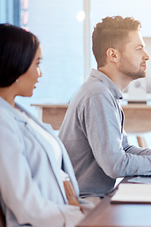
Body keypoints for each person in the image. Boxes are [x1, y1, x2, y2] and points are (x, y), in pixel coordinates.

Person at [59, 16, 151, 199]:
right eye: (139, 48)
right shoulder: (98, 96)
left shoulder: (104, 92)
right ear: (113, 55)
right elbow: (116, 165)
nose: (147, 56)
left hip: (97, 198)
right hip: (88, 204)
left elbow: (123, 149)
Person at [0, 24, 92, 226]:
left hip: (64, 215)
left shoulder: (18, 111)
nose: (40, 74)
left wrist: (86, 211)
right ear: (17, 64)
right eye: (37, 64)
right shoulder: (2, 123)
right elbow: (27, 206)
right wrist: (81, 219)